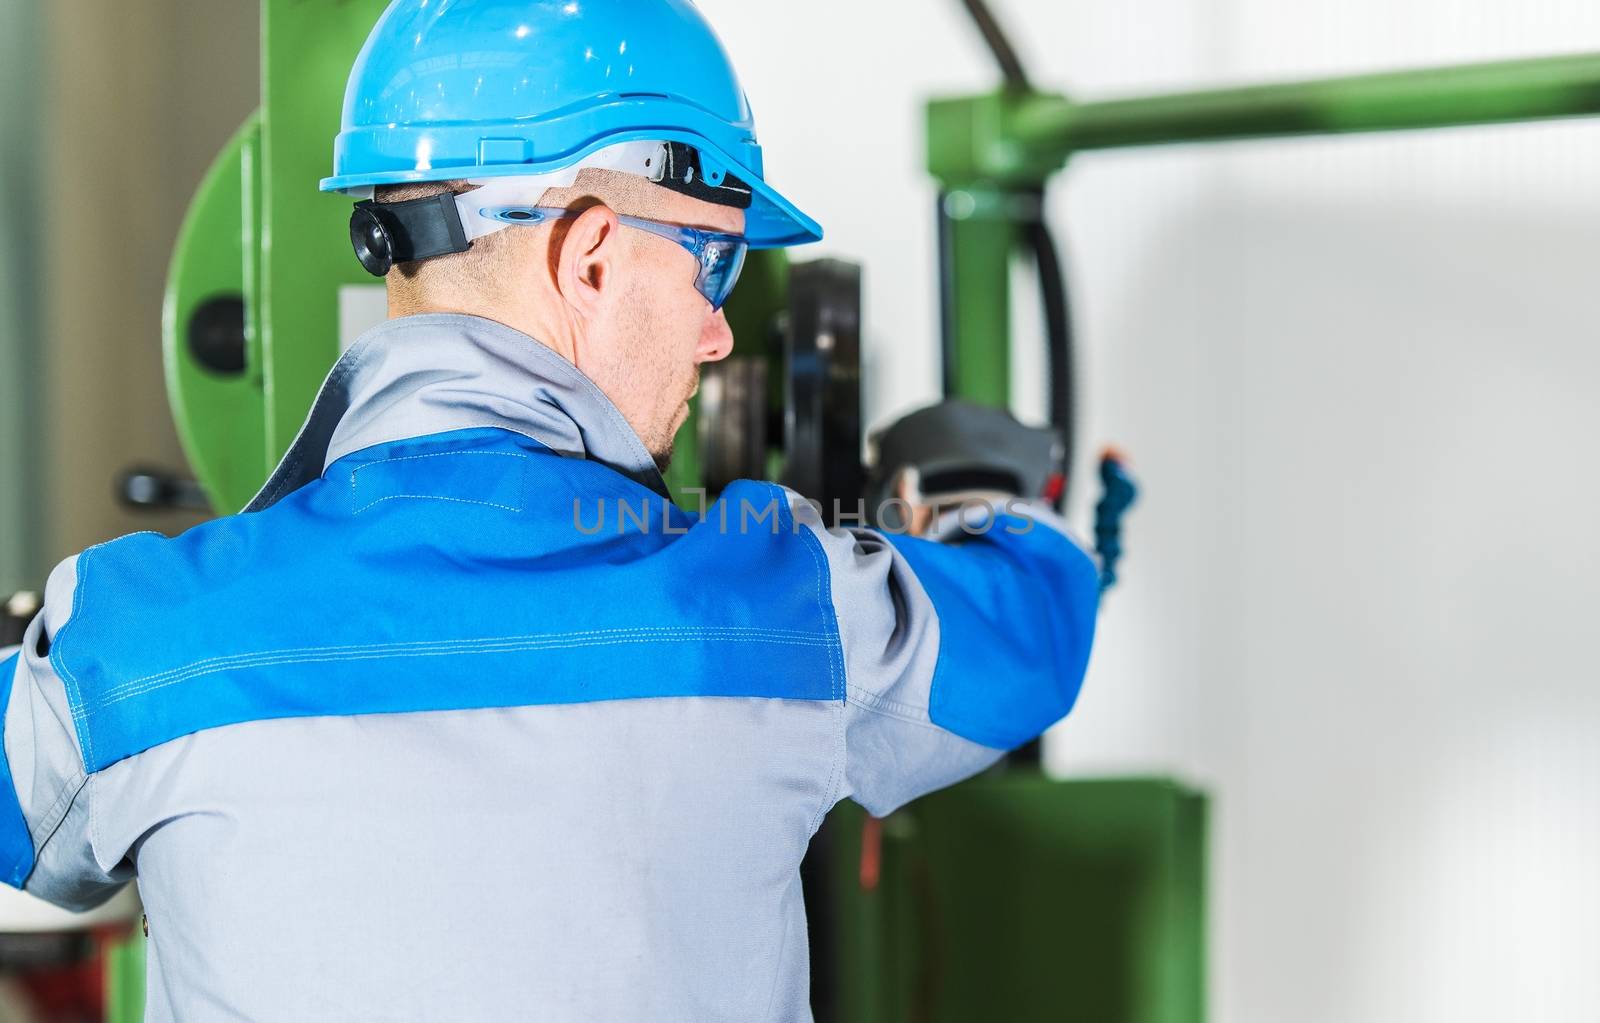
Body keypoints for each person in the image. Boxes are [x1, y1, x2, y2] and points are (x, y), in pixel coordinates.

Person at [0, 2, 1100, 1019]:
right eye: (710, 264)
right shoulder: (780, 611)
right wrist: (977, 482)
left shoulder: (131, 646)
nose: (720, 337)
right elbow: (1029, 624)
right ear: (586, 255)